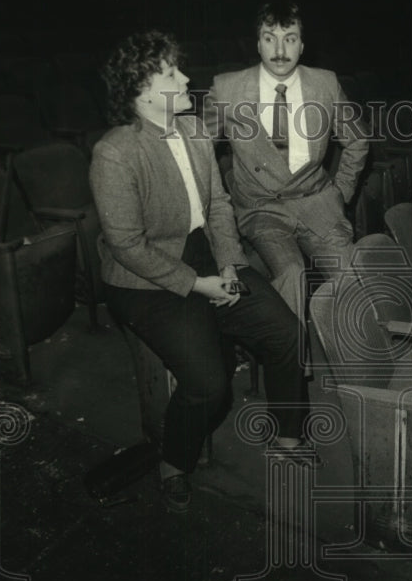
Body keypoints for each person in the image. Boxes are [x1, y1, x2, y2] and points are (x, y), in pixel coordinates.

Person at [90, 30, 311, 514]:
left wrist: (230, 264)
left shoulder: (193, 130)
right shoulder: (115, 153)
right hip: (146, 281)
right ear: (142, 89)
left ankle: (289, 438)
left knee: (286, 334)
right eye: (171, 71)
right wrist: (196, 285)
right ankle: (174, 462)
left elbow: (217, 205)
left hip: (207, 256)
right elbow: (127, 246)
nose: (185, 77)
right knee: (209, 384)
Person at [203, 1, 369, 316]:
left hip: (317, 203)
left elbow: (357, 140)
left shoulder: (324, 83)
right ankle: (292, 361)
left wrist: (341, 192)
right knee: (291, 274)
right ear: (258, 43)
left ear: (302, 45)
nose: (280, 49)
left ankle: (352, 359)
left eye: (290, 38)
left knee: (350, 278)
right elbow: (201, 154)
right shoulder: (228, 89)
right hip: (262, 209)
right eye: (270, 38)